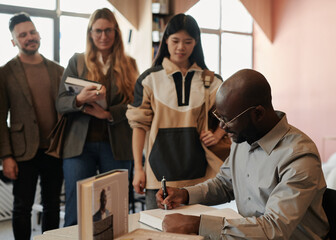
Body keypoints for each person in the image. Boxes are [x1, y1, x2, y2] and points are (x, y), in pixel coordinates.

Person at [156, 69, 330, 239]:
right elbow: (224, 184)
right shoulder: (244, 138)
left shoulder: (299, 156)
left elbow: (274, 228)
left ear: (258, 113)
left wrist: (197, 225)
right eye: (219, 117)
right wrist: (184, 194)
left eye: (228, 119)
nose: (222, 127)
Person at [126, 13, 226, 209]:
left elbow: (231, 114)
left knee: (198, 232)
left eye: (188, 41)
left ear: (196, 43)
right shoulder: (149, 79)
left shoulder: (212, 80)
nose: (181, 47)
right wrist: (138, 169)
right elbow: (139, 126)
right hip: (158, 175)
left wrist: (217, 134)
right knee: (156, 232)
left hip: (200, 175)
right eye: (176, 41)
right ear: (166, 41)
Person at [57, 8, 138, 226]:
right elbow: (61, 102)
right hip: (79, 147)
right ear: (90, 33)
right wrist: (79, 99)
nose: (103, 36)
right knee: (76, 209)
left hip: (117, 145)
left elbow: (136, 104)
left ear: (116, 32)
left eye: (108, 31)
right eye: (98, 31)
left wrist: (109, 113)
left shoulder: (129, 64)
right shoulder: (77, 61)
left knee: (115, 209)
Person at [0, 12, 64, 240]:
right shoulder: (5, 73)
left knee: (52, 206)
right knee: (21, 208)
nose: (30, 37)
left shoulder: (58, 70)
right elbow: (0, 118)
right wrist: (6, 156)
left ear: (38, 34)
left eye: (33, 32)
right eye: (23, 34)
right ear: (13, 41)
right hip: (22, 152)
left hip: (54, 150)